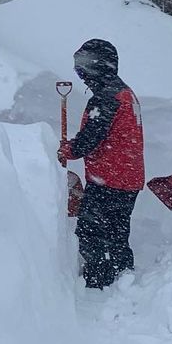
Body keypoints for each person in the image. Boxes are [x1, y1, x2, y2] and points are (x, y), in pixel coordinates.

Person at [57, 38, 145, 289]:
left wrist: (69, 149)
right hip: (127, 178)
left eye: (82, 66)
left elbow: (92, 137)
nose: (81, 74)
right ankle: (123, 274)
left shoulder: (106, 97)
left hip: (109, 178)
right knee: (117, 231)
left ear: (98, 65)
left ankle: (97, 281)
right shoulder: (123, 91)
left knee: (91, 231)